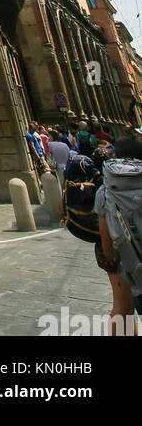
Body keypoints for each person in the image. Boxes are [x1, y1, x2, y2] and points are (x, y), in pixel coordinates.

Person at [93, 135, 142, 336]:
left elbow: (104, 229)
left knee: (122, 308)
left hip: (122, 254)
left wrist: (110, 258)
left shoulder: (105, 190)